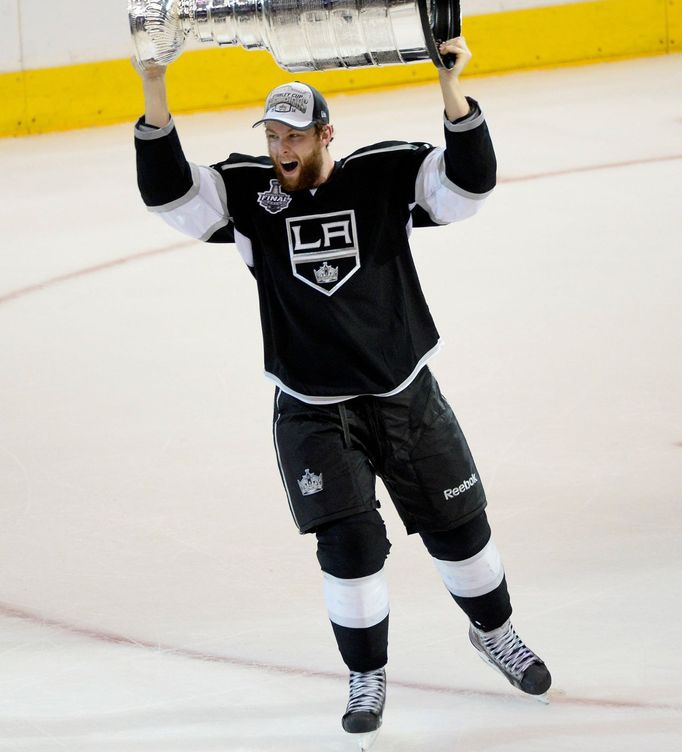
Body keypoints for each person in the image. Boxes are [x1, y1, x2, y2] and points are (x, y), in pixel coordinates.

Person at [132, 37, 551, 749]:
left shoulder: (383, 176)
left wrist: (453, 89)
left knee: (461, 532)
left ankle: (497, 634)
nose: (280, 149)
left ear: (326, 135)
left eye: (294, 135)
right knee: (350, 547)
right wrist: (154, 89)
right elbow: (169, 193)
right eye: (271, 136)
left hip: (403, 391)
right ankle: (368, 675)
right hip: (312, 406)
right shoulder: (251, 195)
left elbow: (469, 187)